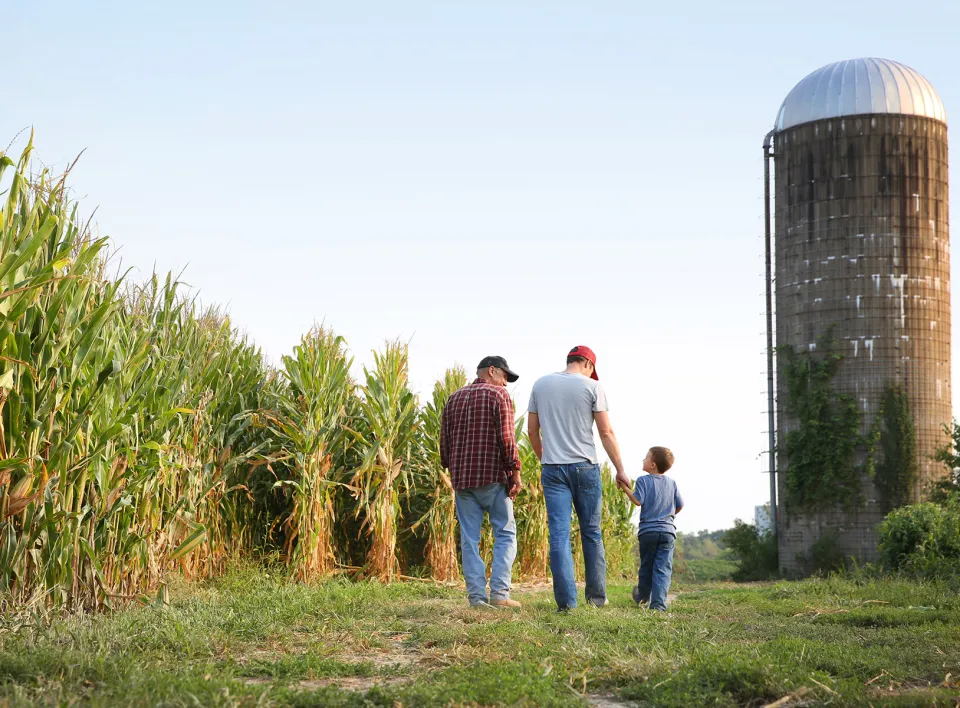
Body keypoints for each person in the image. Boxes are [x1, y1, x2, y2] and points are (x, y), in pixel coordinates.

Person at [527, 346, 629, 610]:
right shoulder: (593, 387)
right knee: (592, 533)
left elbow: (532, 432)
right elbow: (606, 432)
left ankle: (566, 604)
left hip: (553, 468)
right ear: (588, 364)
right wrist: (620, 469)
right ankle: (596, 600)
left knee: (558, 536)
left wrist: (546, 459)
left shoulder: (540, 384)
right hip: (585, 467)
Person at [441, 355, 523, 609]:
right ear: (491, 371)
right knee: (505, 533)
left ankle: (476, 597)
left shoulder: (453, 398)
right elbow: (507, 439)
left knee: (469, 539)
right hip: (492, 478)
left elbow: (444, 443)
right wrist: (515, 471)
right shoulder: (498, 396)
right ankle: (499, 594)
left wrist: (453, 466)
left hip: (463, 480)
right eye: (505, 377)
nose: (506, 384)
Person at [619, 446, 683, 612]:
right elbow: (680, 505)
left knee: (647, 566)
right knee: (662, 568)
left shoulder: (643, 480)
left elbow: (637, 500)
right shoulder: (672, 483)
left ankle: (642, 598)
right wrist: (668, 517)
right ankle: (658, 605)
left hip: (648, 532)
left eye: (646, 458)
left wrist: (625, 487)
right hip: (668, 532)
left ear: (653, 464)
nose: (643, 460)